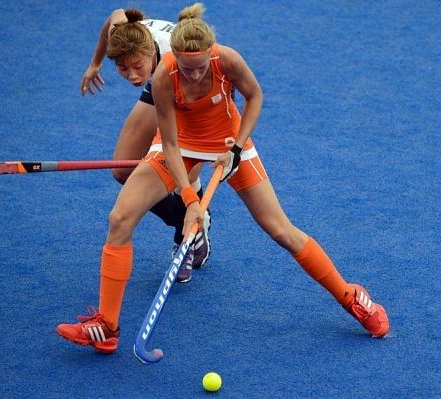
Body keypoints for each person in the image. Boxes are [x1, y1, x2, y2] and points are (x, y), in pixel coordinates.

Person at [57, 3, 389, 354]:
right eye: (187, 69)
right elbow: (169, 143)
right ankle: (107, 327)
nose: (195, 76)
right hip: (182, 145)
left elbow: (255, 96)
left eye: (201, 68)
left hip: (231, 144)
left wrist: (235, 149)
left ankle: (351, 296)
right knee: (120, 218)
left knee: (281, 230)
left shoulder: (226, 59)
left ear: (210, 56)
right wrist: (189, 201)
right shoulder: (163, 76)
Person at [82, 8, 211, 282]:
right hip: (160, 83)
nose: (130, 75)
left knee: (183, 173)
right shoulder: (125, 33)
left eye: (136, 65)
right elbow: (116, 14)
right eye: (122, 67)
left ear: (150, 52)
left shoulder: (178, 61)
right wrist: (96, 63)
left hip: (196, 90)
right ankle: (191, 220)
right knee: (122, 170)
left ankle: (184, 241)